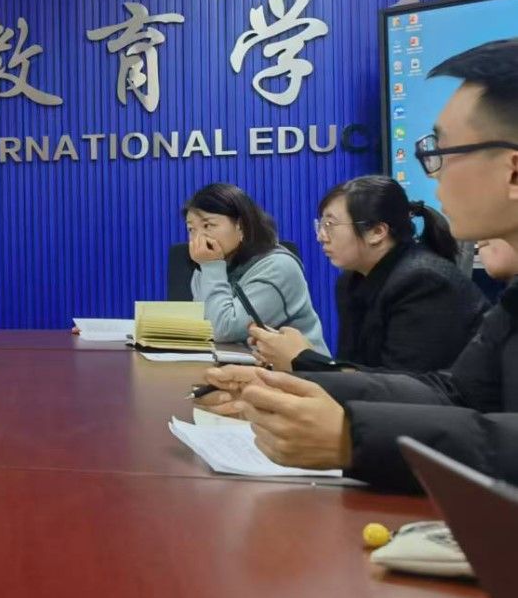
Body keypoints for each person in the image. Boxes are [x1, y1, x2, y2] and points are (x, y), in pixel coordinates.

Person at [196, 39, 518, 491]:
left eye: (442, 151)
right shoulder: (507, 301)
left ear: (513, 171)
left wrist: (353, 435)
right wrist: (285, 386)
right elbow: (453, 392)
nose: (433, 172)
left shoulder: (424, 280)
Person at [248, 175, 488, 373]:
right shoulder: (350, 281)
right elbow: (354, 369)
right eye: (320, 225)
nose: (321, 236)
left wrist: (304, 360)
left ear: (377, 232)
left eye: (330, 225)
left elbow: (403, 387)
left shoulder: (424, 281)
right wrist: (285, 356)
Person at [183, 183, 328, 356]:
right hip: (247, 364)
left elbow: (223, 330)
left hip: (302, 369)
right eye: (191, 229)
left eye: (208, 226)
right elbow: (204, 328)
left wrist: (211, 267)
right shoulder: (208, 267)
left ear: (240, 225)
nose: (198, 238)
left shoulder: (278, 267)